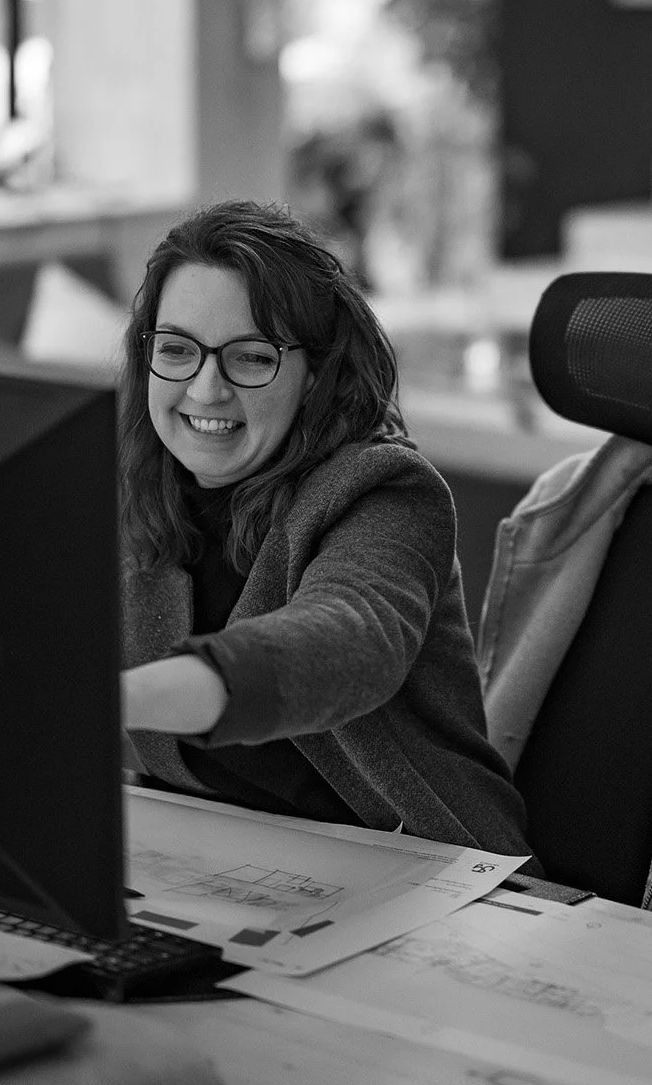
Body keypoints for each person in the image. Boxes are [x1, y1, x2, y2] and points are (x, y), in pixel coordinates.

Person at [115, 199, 529, 857]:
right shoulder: (132, 487)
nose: (205, 389)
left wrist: (112, 699)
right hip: (206, 850)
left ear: (315, 373)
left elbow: (345, 644)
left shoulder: (384, 489)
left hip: (414, 862)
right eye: (176, 350)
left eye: (252, 358)